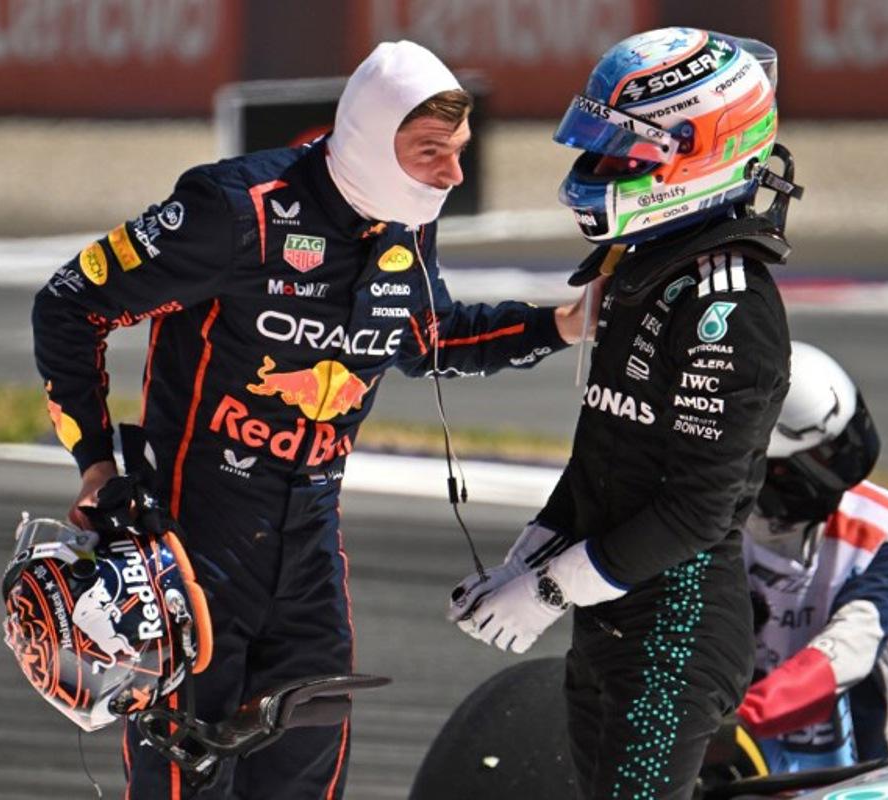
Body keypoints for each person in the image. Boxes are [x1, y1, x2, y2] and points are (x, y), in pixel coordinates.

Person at [31, 40, 599, 799]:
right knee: (184, 782)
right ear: (369, 137)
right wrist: (97, 463)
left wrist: (560, 325)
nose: (453, 175)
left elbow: (428, 336)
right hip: (191, 550)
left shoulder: (405, 225)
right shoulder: (233, 209)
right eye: (431, 152)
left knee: (306, 779)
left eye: (460, 153)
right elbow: (70, 303)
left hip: (309, 557)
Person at [450, 27, 801, 800]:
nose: (597, 170)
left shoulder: (729, 305)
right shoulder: (637, 269)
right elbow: (604, 451)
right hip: (607, 617)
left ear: (696, 153)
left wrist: (547, 590)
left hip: (673, 630)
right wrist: (530, 554)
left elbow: (696, 512)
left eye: (622, 154)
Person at [732, 341, 888, 774]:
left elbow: (849, 650)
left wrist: (740, 721)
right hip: (729, 764)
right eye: (820, 457)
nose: (843, 472)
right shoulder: (704, 526)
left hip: (868, 772)